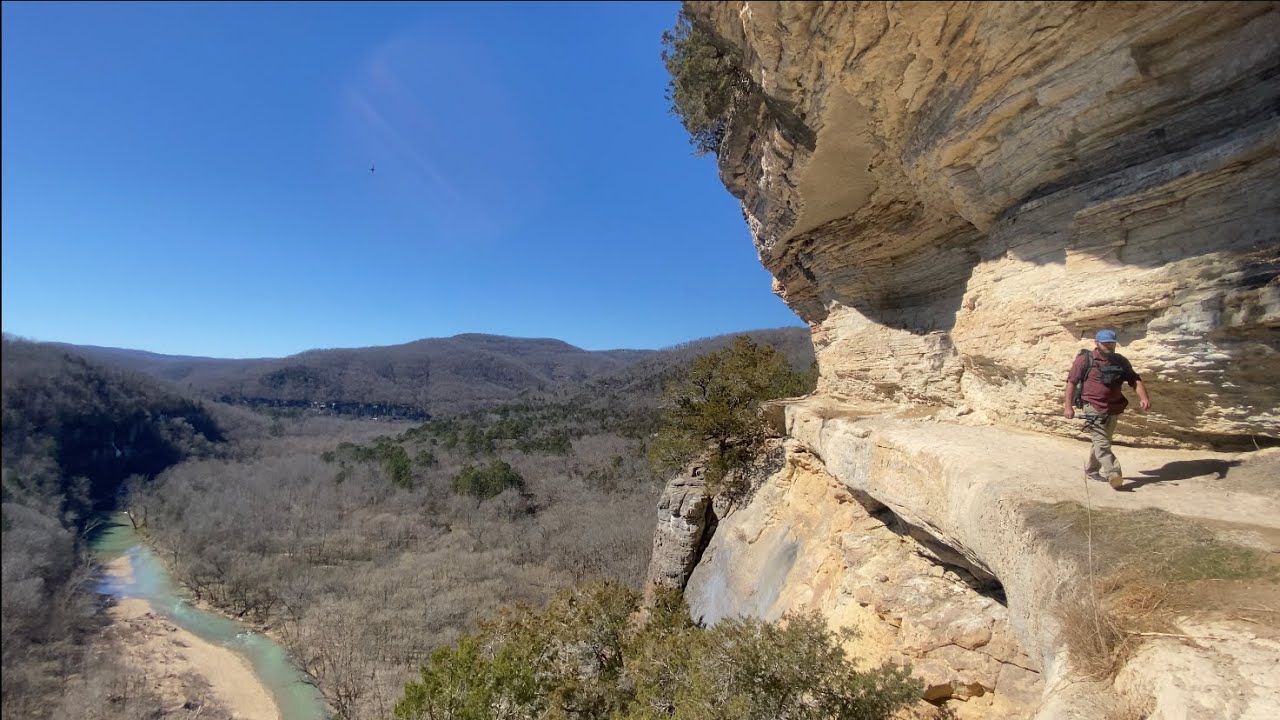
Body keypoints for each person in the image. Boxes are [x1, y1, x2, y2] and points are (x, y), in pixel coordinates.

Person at [1062, 329, 1151, 489]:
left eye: (1111, 343)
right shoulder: (1085, 360)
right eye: (1105, 343)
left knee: (1102, 441)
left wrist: (1144, 398)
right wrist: (1068, 406)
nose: (1109, 346)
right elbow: (1071, 382)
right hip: (1092, 406)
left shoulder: (1120, 361)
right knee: (1102, 442)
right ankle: (1113, 474)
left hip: (1113, 407)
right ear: (1097, 343)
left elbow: (1134, 380)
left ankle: (1092, 470)